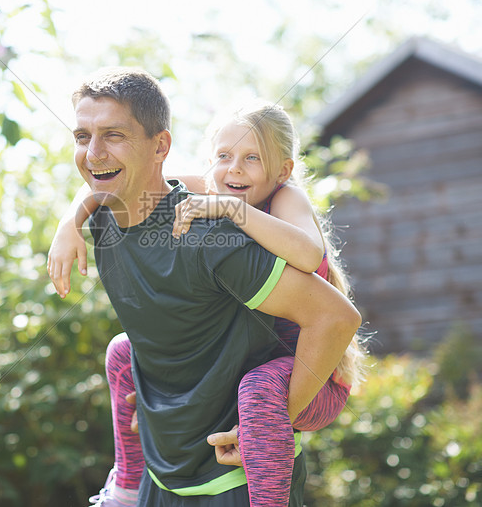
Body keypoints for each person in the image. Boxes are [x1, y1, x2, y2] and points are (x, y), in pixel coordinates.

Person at [57, 66, 360, 506]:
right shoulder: (208, 193)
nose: (234, 170)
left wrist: (262, 428)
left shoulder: (268, 205)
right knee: (122, 351)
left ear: (282, 169)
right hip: (167, 475)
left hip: (310, 374)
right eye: (83, 136)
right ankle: (124, 482)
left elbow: (316, 271)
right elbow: (120, 186)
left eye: (114, 135)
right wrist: (71, 221)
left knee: (259, 394)